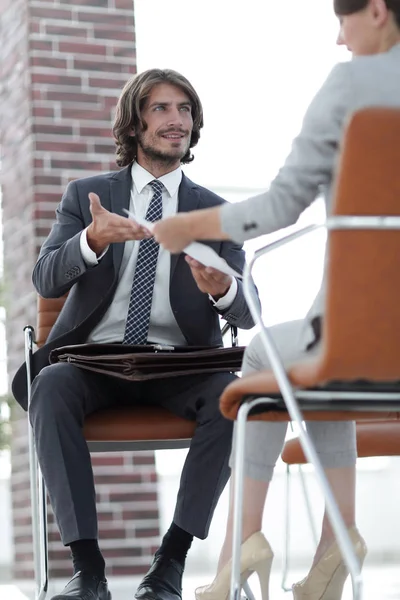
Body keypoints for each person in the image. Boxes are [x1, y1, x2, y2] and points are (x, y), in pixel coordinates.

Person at [153, 1, 400, 598]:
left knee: (267, 351)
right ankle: (332, 546)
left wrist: (190, 227)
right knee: (315, 365)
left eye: (342, 21)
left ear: (375, 10)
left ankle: (242, 545)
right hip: (371, 340)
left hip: (360, 337)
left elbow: (281, 204)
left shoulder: (353, 86)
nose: (340, 41)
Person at [11, 68, 258, 600]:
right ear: (134, 122)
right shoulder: (88, 195)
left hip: (180, 365)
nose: (177, 121)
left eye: (185, 110)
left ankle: (170, 562)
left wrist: (222, 290)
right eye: (162, 109)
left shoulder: (217, 213)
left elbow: (248, 311)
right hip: (95, 362)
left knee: (231, 397)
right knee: (50, 386)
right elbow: (45, 277)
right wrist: (90, 241)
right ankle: (88, 571)